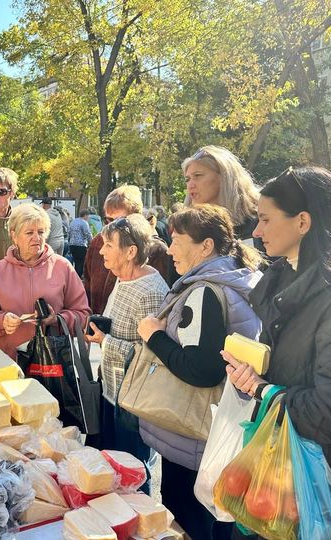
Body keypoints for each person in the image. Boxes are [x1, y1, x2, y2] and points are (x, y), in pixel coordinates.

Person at [223, 166, 331, 492]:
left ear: (303, 222)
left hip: (315, 485)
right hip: (277, 474)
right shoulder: (282, 284)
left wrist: (261, 389)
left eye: (266, 219)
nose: (255, 231)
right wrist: (251, 376)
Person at [136, 204, 263, 540]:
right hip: (224, 427)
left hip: (192, 437)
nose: (169, 248)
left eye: (177, 240)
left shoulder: (204, 292)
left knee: (189, 522)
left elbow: (200, 369)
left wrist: (154, 336)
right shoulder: (239, 277)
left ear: (206, 246)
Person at [84, 214, 169, 494]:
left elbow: (152, 355)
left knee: (132, 478)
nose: (101, 250)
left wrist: (105, 341)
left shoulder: (151, 290)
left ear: (130, 252)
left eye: (108, 245)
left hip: (134, 404)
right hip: (113, 393)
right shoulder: (123, 277)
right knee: (112, 472)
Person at [0, 203, 90, 360]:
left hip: (54, 364)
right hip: (11, 362)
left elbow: (83, 314)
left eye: (41, 232)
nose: (37, 238)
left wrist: (57, 319)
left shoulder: (62, 266)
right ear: (14, 235)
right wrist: (2, 321)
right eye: (29, 232)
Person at [84, 186, 173, 315]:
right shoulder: (98, 242)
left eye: (119, 221)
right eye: (108, 220)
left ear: (135, 218)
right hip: (99, 323)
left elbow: (162, 304)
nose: (111, 226)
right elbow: (87, 284)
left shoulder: (156, 249)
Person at [182, 145, 260, 245]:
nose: (190, 186)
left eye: (197, 175)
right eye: (187, 179)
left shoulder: (260, 222)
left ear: (225, 176)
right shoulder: (189, 231)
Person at [68, 208, 92, 277]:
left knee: (76, 262)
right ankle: (78, 278)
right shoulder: (84, 223)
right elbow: (88, 234)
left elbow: (69, 233)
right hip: (81, 246)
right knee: (81, 263)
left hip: (72, 245)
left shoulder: (73, 221)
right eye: (88, 216)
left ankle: (74, 276)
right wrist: (91, 243)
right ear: (85, 215)